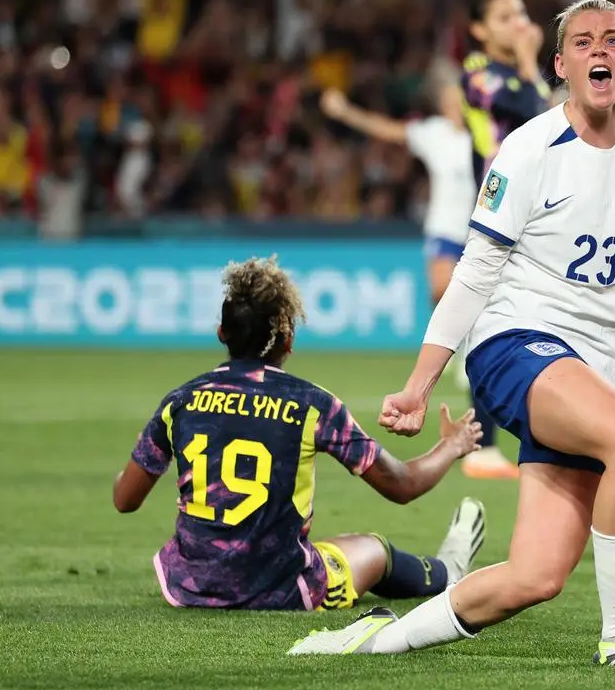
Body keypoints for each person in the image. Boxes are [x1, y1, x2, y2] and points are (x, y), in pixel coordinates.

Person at [288, 0, 615, 669]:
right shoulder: (529, 148)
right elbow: (475, 274)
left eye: (612, 40)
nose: (598, 50)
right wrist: (418, 386)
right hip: (518, 342)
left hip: (597, 372)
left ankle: (372, 640)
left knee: (535, 578)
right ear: (560, 65)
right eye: (582, 42)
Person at [112, 255, 487, 610]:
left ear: (221, 332)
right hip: (281, 589)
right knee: (374, 550)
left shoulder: (181, 402)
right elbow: (402, 485)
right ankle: (448, 572)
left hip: (189, 586)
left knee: (325, 547)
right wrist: (452, 445)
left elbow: (124, 500)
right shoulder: (312, 405)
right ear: (288, 339)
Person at [318, 62, 479, 397]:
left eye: (459, 97)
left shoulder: (487, 134)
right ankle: (455, 343)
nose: (455, 104)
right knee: (440, 289)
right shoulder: (433, 132)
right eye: (449, 98)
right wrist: (345, 111)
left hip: (479, 229)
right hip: (445, 226)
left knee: (471, 295)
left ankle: (465, 351)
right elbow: (387, 130)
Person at [450, 0, 555, 480]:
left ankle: (501, 440)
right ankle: (482, 444)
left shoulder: (519, 75)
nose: (519, 23)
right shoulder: (480, 75)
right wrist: (533, 63)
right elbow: (540, 117)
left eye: (522, 12)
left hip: (541, 211)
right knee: (489, 321)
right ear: (479, 31)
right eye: (504, 16)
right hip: (501, 213)